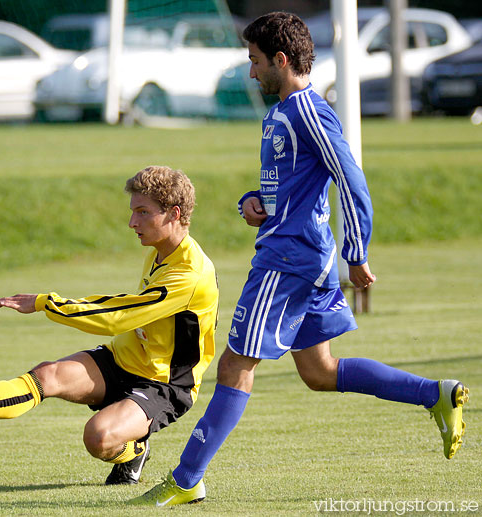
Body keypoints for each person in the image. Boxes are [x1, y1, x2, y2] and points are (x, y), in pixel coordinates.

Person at [131, 12, 469, 507]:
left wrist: (357, 251)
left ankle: (185, 480)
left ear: (281, 60)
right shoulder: (281, 115)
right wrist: (257, 201)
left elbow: (350, 178)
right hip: (299, 255)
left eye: (255, 61)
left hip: (286, 263)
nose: (251, 72)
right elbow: (295, 188)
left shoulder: (308, 111)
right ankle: (435, 393)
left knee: (233, 366)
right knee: (319, 372)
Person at [0, 165, 219, 486]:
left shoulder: (190, 274)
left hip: (164, 383)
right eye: (133, 212)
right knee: (48, 374)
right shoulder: (161, 250)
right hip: (123, 358)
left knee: (99, 437)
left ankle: (133, 452)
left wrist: (45, 302)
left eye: (143, 213)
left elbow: (118, 316)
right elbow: (128, 311)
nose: (132, 222)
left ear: (174, 213)